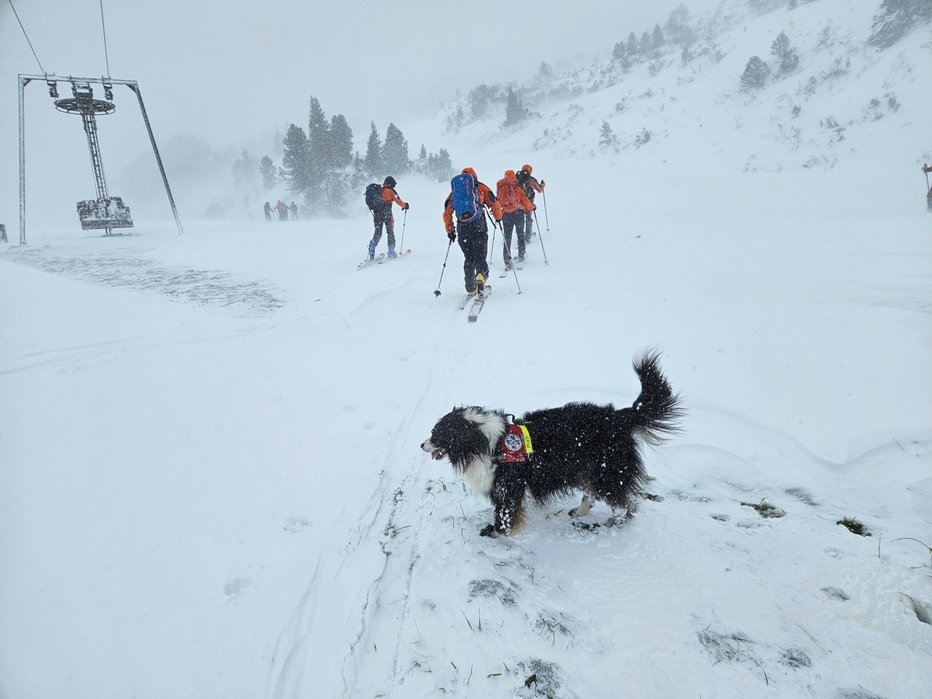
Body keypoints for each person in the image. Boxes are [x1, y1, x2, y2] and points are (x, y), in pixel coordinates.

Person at [443, 167, 503, 295]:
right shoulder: (480, 187)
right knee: (480, 254)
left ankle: (470, 287)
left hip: (462, 227)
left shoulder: (455, 192)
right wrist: (498, 217)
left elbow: (447, 211)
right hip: (478, 225)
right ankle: (481, 275)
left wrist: (450, 230)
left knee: (469, 257)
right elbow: (494, 203)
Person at [496, 169, 535, 269]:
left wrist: (498, 214)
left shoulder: (501, 188)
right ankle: (521, 255)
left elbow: (498, 202)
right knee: (520, 234)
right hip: (518, 214)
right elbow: (525, 202)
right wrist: (532, 207)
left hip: (505, 215)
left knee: (507, 238)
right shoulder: (518, 189)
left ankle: (507, 261)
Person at [368, 176, 408, 259]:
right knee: (390, 232)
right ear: (391, 184)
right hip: (387, 215)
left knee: (378, 233)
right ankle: (391, 251)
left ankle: (372, 247)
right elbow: (398, 201)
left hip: (377, 215)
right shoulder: (391, 191)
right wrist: (405, 205)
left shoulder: (379, 191)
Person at [515, 164, 545, 238]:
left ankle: (520, 235)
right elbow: (539, 190)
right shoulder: (532, 180)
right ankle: (528, 236)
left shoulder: (516, 178)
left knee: (519, 218)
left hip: (518, 202)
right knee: (528, 218)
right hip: (529, 202)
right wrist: (542, 185)